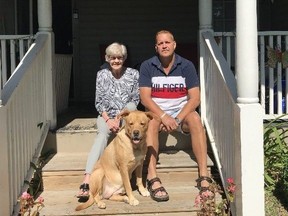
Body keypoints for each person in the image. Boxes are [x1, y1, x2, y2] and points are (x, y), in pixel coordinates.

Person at [139, 30, 211, 202]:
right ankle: (152, 177)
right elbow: (145, 98)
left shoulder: (186, 66)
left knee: (195, 119)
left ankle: (203, 174)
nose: (164, 46)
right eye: (160, 43)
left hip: (181, 115)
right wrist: (163, 116)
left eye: (167, 42)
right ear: (156, 47)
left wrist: (177, 119)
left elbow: (195, 99)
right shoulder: (147, 66)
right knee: (150, 123)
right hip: (158, 114)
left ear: (174, 44)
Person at [77, 42, 140, 198]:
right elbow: (99, 102)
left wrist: (120, 118)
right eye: (113, 58)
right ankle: (87, 179)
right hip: (106, 116)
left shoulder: (133, 74)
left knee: (131, 110)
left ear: (124, 58)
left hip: (126, 117)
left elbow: (135, 99)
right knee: (101, 136)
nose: (116, 61)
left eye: (119, 57)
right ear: (107, 58)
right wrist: (108, 120)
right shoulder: (102, 74)